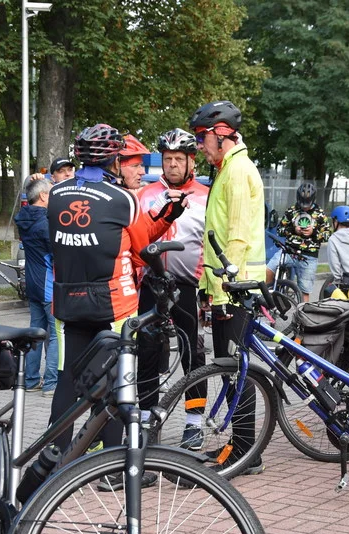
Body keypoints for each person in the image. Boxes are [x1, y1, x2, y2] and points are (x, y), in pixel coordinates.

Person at [48, 123, 188, 489]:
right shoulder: (121, 199)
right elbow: (143, 249)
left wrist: (164, 218)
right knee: (114, 385)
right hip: (113, 303)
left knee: (67, 381)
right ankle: (111, 472)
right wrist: (165, 236)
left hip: (66, 301)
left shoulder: (57, 192)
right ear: (113, 159)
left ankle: (54, 465)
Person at [192, 99, 267, 475]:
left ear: (221, 135)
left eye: (202, 138)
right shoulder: (227, 168)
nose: (199, 146)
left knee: (237, 370)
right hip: (225, 288)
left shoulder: (238, 171)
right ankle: (241, 445)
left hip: (235, 289)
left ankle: (244, 452)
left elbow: (235, 237)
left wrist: (221, 288)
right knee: (231, 368)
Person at [137, 128, 210, 449]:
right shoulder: (146, 193)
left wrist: (210, 287)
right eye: (168, 159)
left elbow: (212, 241)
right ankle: (147, 420)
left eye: (179, 159)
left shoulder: (205, 196)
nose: (173, 165)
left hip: (187, 285)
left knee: (192, 354)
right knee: (148, 353)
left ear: (191, 161)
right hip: (150, 285)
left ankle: (194, 423)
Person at [15, 176, 58, 396]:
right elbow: (57, 252)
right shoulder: (45, 224)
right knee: (55, 335)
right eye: (51, 192)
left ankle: (30, 379)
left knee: (35, 333)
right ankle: (51, 383)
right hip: (48, 285)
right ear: (43, 196)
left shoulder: (23, 217)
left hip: (32, 283)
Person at [268, 182, 330, 301]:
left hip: (308, 256)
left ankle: (302, 315)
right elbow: (280, 230)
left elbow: (327, 235)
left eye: (307, 204)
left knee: (304, 291)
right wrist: (293, 229)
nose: (304, 207)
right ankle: (268, 298)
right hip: (289, 251)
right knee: (269, 269)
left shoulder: (320, 214)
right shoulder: (291, 211)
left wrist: (314, 232)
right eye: (302, 203)